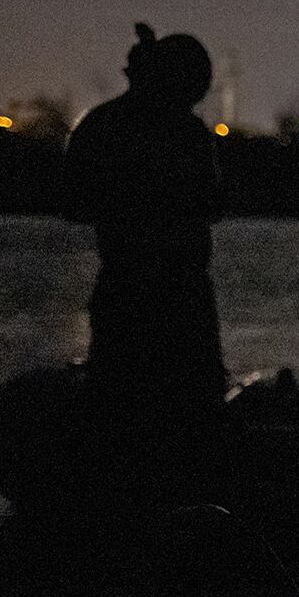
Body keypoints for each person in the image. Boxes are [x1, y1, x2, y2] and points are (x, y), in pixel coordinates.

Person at [63, 23, 227, 434]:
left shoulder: (102, 124)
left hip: (125, 289)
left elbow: (73, 202)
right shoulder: (185, 133)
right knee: (192, 412)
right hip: (178, 295)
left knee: (118, 412)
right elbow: (211, 202)